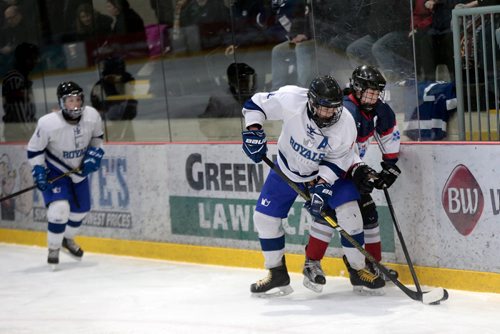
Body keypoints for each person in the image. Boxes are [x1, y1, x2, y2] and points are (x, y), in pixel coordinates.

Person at [241, 75, 385, 297]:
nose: (329, 114)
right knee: (264, 219)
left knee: (350, 213)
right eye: (324, 108)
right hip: (286, 169)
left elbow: (340, 159)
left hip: (321, 171)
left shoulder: (345, 124)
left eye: (334, 109)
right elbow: (255, 103)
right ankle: (276, 272)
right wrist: (253, 129)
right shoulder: (291, 99)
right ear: (311, 101)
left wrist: (323, 184)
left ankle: (358, 270)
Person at [303, 66, 401, 290]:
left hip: (351, 170)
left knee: (368, 213)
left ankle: (370, 265)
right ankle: (313, 263)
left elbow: (389, 136)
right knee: (327, 214)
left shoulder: (380, 111)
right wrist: (359, 170)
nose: (373, 97)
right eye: (369, 92)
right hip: (327, 170)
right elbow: (338, 150)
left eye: (377, 93)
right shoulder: (345, 111)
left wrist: (390, 167)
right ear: (357, 89)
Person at [27, 81, 105, 269]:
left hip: (78, 171)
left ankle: (66, 239)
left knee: (81, 211)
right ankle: (53, 248)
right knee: (59, 209)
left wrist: (93, 156)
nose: (75, 104)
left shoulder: (92, 116)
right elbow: (34, 149)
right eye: (70, 101)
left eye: (78, 99)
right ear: (62, 103)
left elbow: (97, 139)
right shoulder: (48, 123)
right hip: (56, 170)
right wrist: (38, 171)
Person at [90, 56, 138, 141]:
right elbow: (97, 108)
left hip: (122, 125)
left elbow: (131, 109)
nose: (115, 78)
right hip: (110, 126)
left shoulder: (126, 81)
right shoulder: (99, 87)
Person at [2, 42, 39, 141]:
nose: (35, 62)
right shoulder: (14, 79)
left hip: (26, 131)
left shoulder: (22, 78)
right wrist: (29, 130)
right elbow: (18, 110)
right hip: (20, 134)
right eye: (32, 58)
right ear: (23, 59)